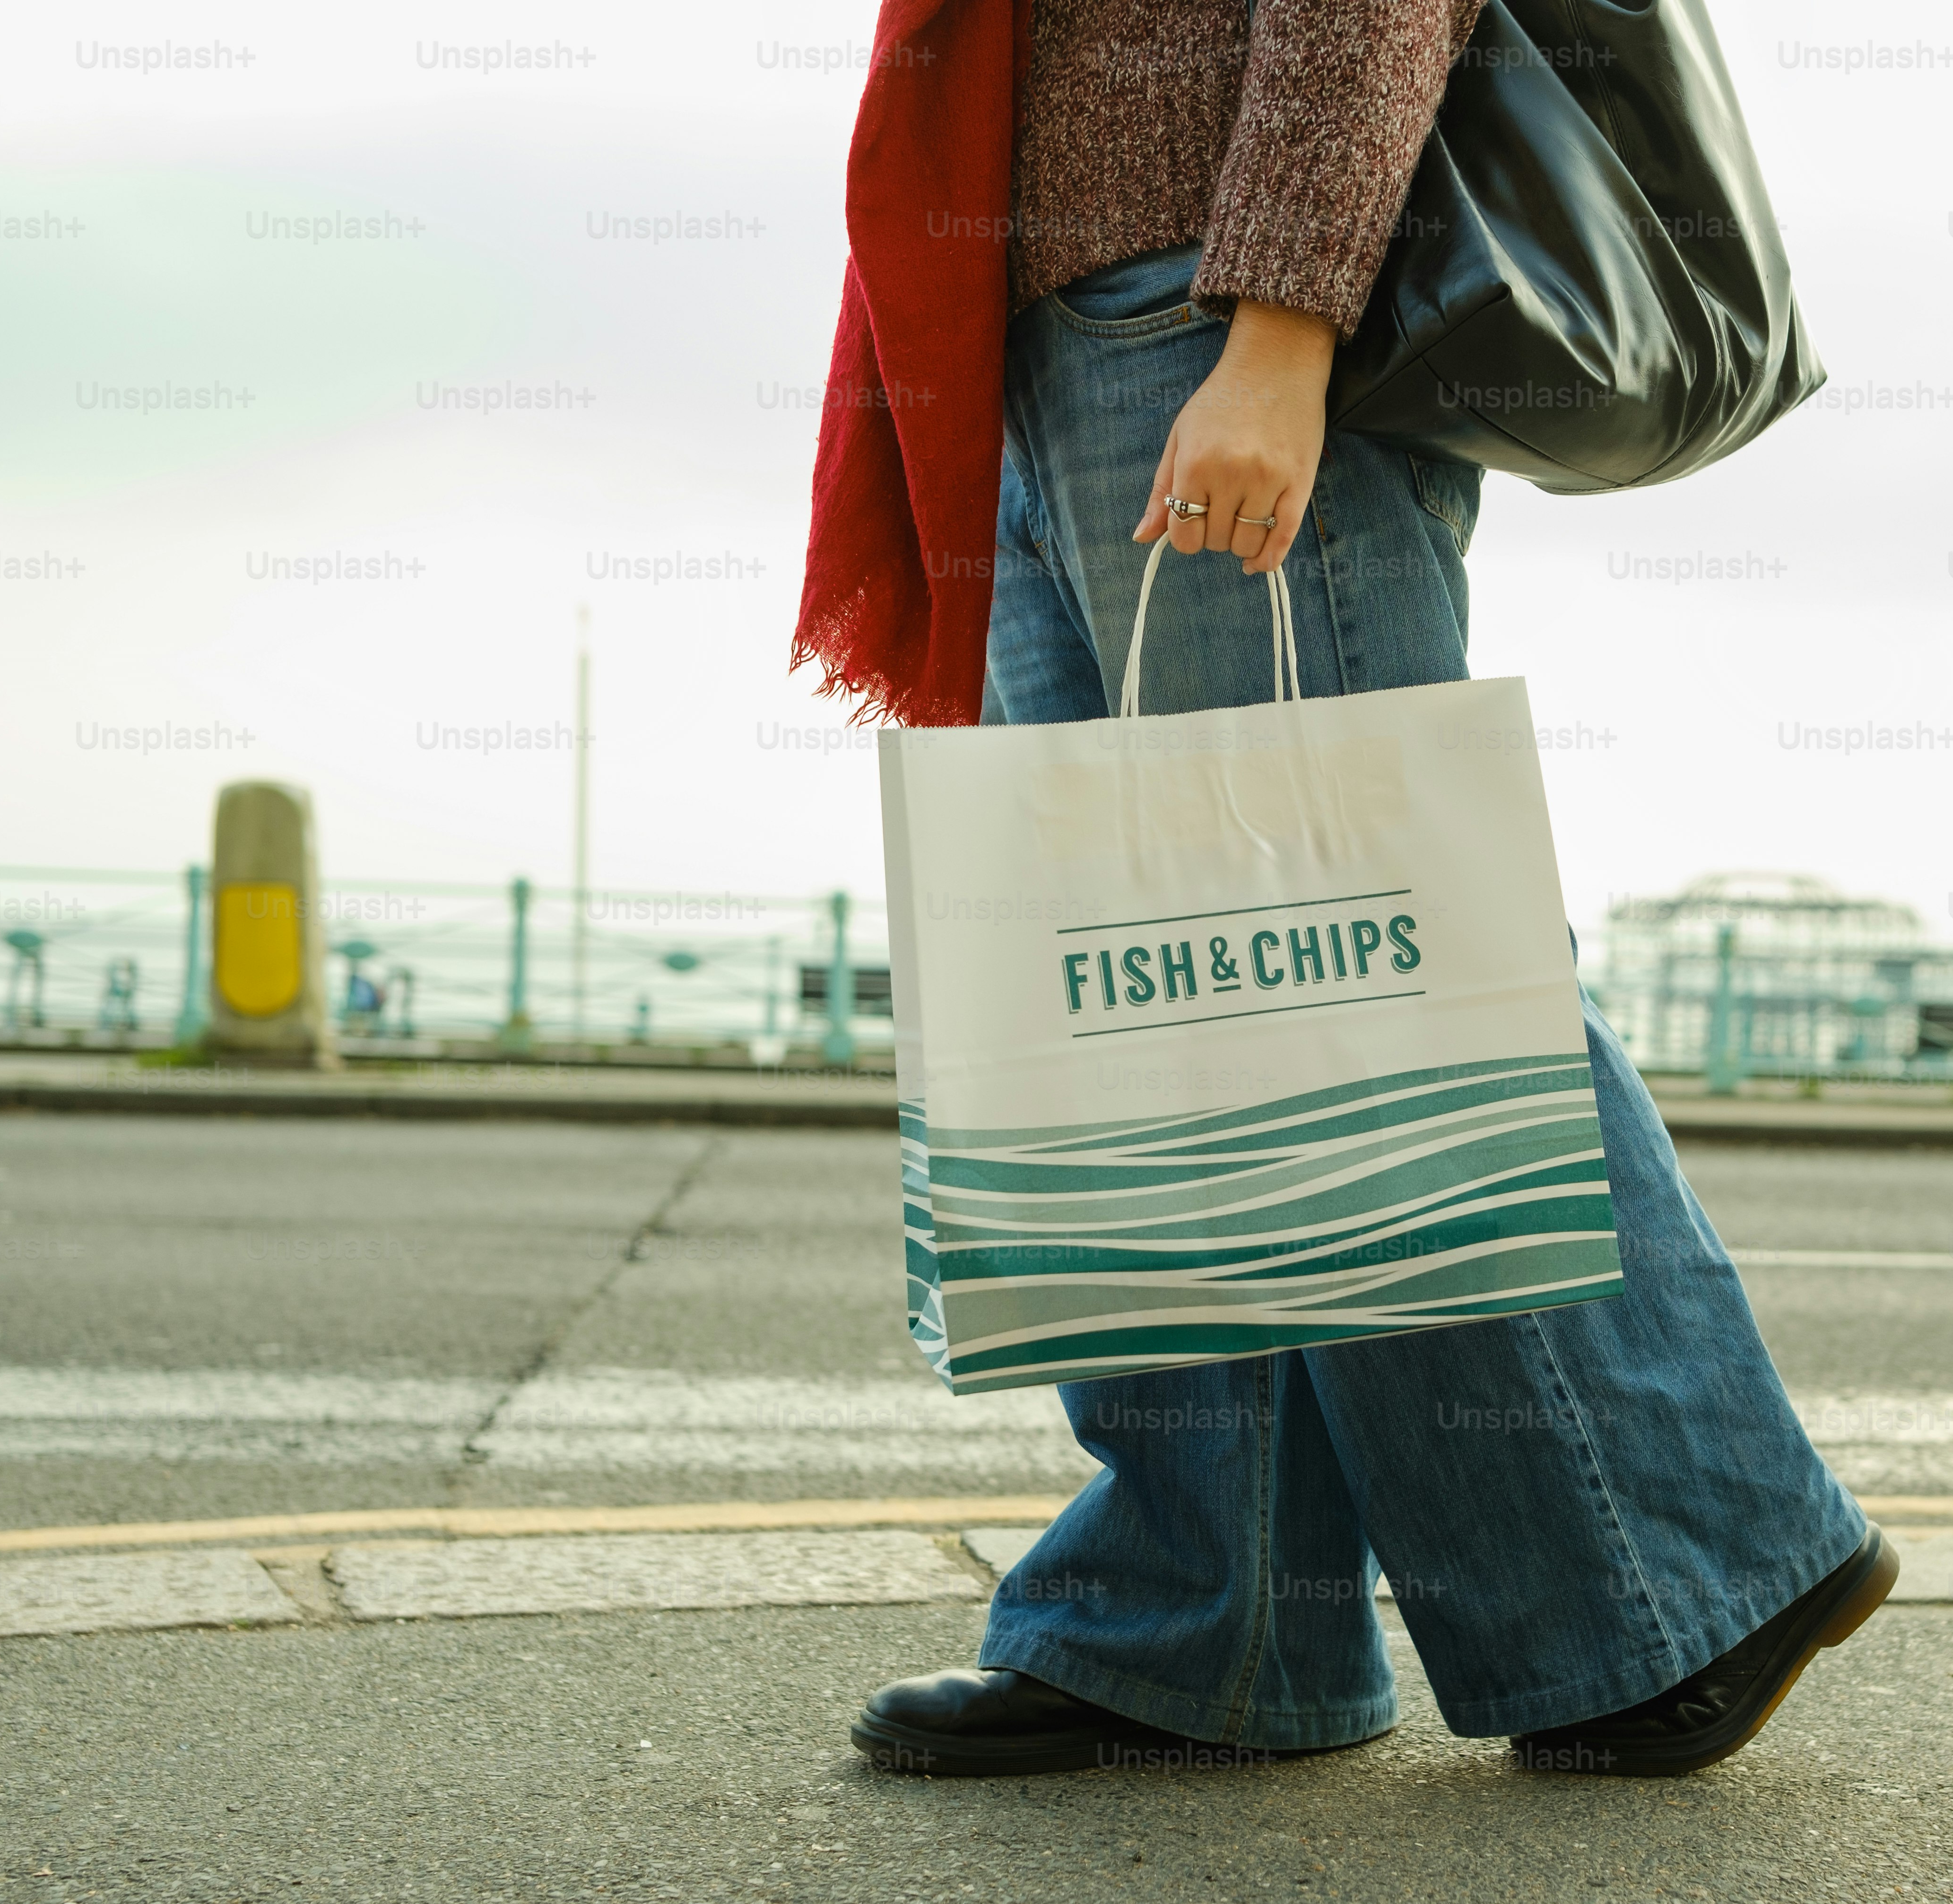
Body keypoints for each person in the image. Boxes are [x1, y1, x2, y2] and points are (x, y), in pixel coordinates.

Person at [796, 0, 1892, 1780]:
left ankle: (1700, 1561)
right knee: (1152, 1017)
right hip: (1047, 336)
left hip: (1213, 322)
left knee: (1374, 974)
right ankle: (1202, 1623)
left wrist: (1282, 328)